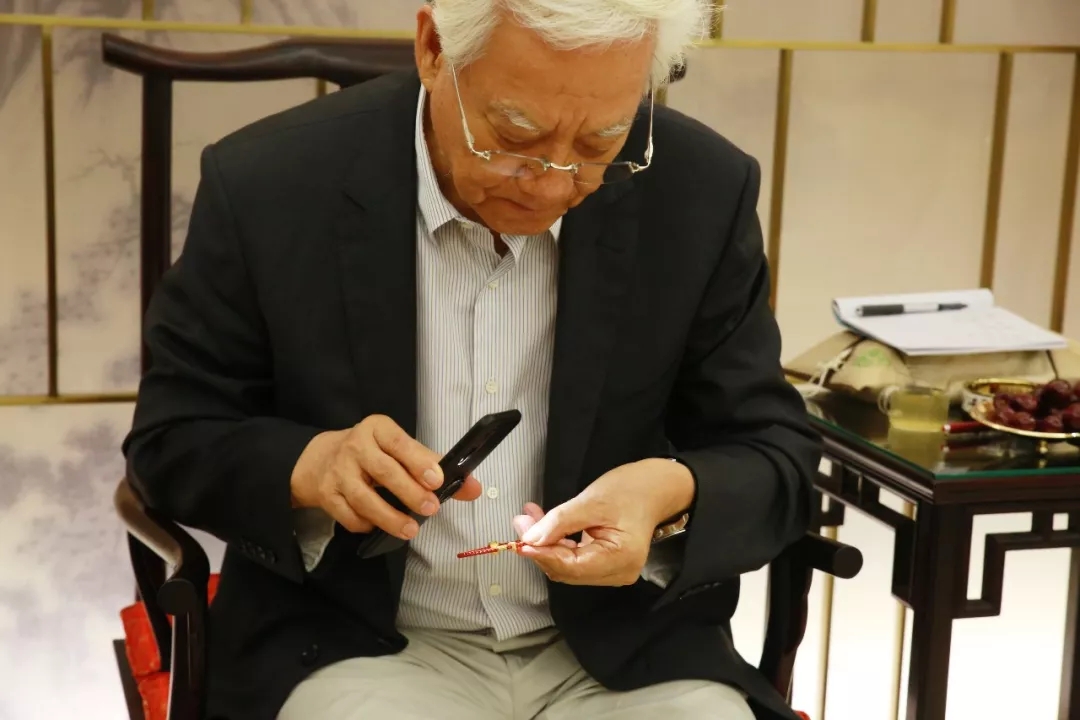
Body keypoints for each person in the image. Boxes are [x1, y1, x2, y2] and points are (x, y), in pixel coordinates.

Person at [123, 1, 821, 718]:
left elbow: (777, 457)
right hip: (356, 644)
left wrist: (672, 495)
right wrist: (312, 467)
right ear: (432, 47)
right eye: (515, 134)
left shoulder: (702, 191)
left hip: (629, 654)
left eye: (601, 141)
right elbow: (172, 440)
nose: (552, 185)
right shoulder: (270, 184)